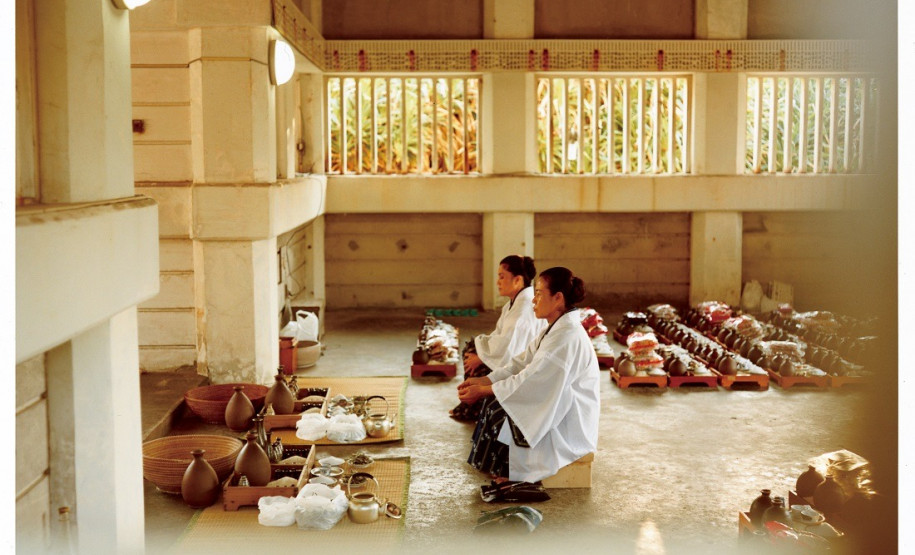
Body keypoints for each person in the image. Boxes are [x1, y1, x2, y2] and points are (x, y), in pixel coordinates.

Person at [458, 267, 600, 493]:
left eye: (539, 294)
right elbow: (521, 362)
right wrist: (485, 380)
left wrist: (486, 389)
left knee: (498, 410)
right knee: (494, 403)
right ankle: (504, 467)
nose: (533, 300)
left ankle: (513, 471)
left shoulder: (566, 336)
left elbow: (531, 382)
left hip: (567, 419)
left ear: (558, 298)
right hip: (554, 402)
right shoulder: (555, 328)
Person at [449, 255, 545, 421]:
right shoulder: (514, 302)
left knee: (473, 355)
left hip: (524, 365)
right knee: (473, 347)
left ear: (517, 280)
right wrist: (481, 351)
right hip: (513, 356)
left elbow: (511, 350)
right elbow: (500, 336)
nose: (497, 282)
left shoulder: (522, 310)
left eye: (502, 277)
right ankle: (469, 401)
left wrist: (481, 358)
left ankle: (473, 407)